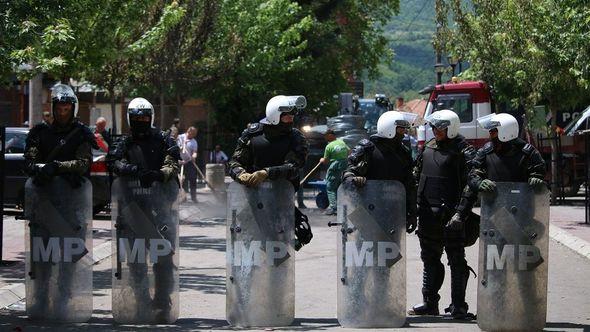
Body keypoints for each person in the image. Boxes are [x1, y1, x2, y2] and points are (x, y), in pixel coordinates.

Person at [23, 83, 96, 319]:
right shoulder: (40, 132)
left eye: (66, 109)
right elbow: (29, 161)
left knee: (67, 261)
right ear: (53, 109)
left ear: (72, 109)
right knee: (42, 258)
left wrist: (58, 167)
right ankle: (41, 301)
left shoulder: (82, 134)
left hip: (72, 207)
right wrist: (39, 169)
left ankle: (63, 302)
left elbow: (84, 163)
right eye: (59, 109)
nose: (62, 113)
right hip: (44, 206)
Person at [108, 97, 179, 322]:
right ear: (130, 119)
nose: (140, 121)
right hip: (132, 212)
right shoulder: (125, 142)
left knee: (164, 259)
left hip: (160, 210)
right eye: (136, 118)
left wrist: (158, 174)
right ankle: (141, 302)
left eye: (144, 118)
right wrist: (130, 169)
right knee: (136, 262)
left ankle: (162, 302)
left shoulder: (163, 139)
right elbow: (113, 161)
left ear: (151, 118)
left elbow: (173, 163)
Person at [409, 109, 477, 319]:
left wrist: (460, 214)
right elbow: (416, 176)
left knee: (456, 260)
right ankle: (430, 303)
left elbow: (472, 185)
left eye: (439, 127)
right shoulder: (428, 147)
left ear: (451, 128)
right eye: (433, 127)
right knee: (429, 259)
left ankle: (458, 306)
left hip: (452, 217)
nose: (434, 130)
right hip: (427, 214)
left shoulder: (464, 151)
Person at [229, 95, 312, 250]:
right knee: (249, 247)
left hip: (281, 200)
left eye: (292, 116)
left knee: (280, 251)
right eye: (287, 116)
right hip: (252, 199)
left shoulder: (296, 138)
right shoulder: (252, 134)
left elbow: (294, 166)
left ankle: (277, 273)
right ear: (275, 115)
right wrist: (241, 174)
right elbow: (234, 162)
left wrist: (267, 173)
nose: (291, 119)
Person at [342, 110, 418, 232]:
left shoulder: (403, 152)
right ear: (389, 128)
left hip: (394, 213)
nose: (404, 133)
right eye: (400, 129)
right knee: (365, 248)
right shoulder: (367, 149)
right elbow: (348, 174)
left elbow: (409, 184)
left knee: (393, 249)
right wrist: (353, 179)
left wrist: (412, 213)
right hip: (368, 212)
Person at [469, 113, 546, 193]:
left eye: (493, 131)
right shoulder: (485, 152)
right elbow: (473, 174)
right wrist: (479, 182)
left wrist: (536, 178)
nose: (490, 134)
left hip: (522, 202)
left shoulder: (528, 152)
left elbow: (539, 172)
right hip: (494, 202)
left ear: (505, 133)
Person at [320, 129, 349, 215]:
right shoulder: (342, 142)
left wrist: (322, 160)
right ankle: (342, 207)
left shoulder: (329, 146)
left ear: (330, 135)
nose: (325, 138)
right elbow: (349, 151)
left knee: (331, 188)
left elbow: (325, 161)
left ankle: (333, 208)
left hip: (335, 168)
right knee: (340, 187)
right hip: (344, 168)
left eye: (326, 136)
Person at [177, 126, 199, 202]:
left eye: (194, 134)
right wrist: (182, 145)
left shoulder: (194, 142)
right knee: (181, 180)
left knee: (193, 178)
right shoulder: (180, 137)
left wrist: (194, 156)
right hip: (179, 161)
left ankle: (194, 197)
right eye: (192, 133)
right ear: (188, 131)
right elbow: (176, 148)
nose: (193, 135)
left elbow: (194, 152)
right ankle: (183, 197)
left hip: (188, 162)